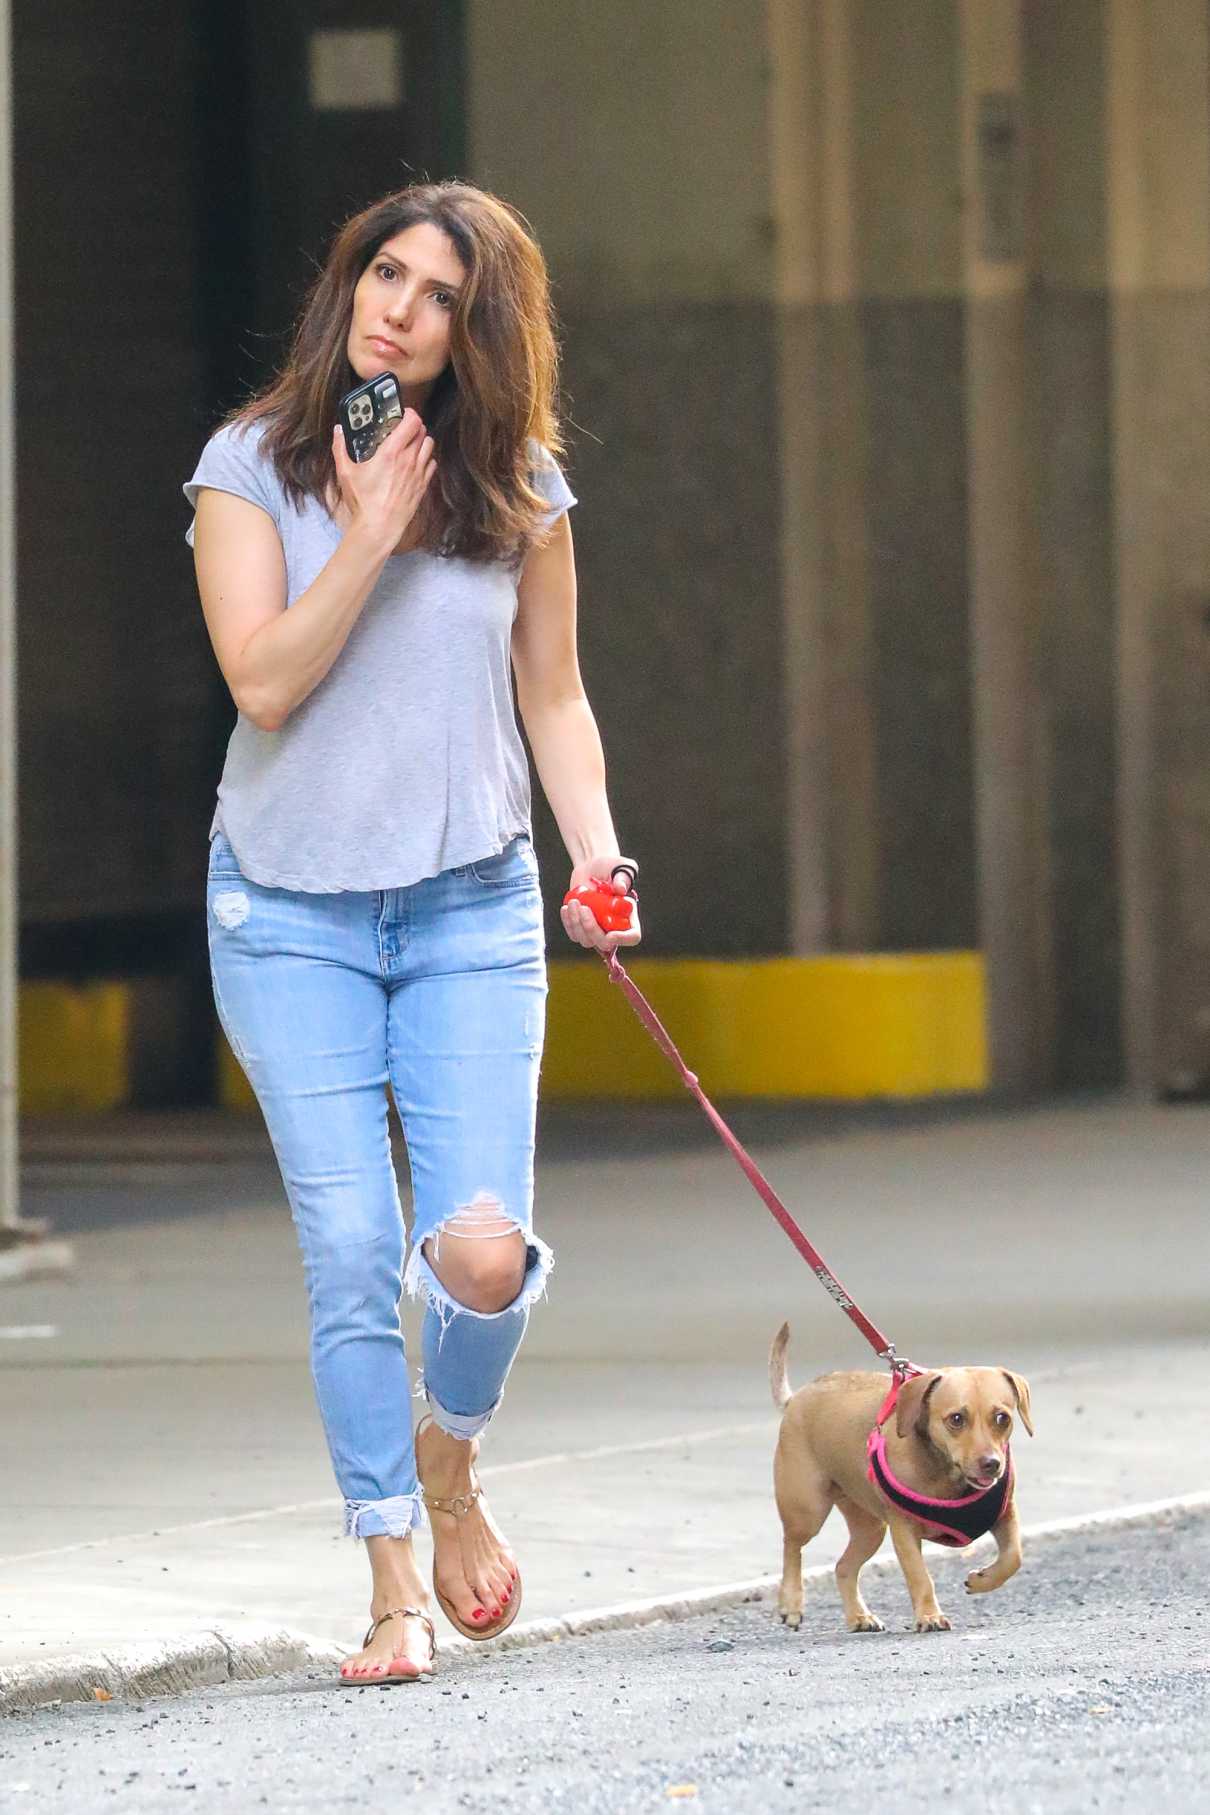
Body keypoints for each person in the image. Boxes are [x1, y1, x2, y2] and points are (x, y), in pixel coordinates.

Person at [184, 181, 640, 1684]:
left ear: (479, 329)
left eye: (440, 295)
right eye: (386, 273)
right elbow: (261, 682)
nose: (400, 308)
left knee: (481, 1257)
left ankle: (452, 1465)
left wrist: (597, 854)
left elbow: (553, 693)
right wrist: (370, 528)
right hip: (287, 907)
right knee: (351, 1246)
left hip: (467, 899)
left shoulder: (518, 482)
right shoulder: (252, 463)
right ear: (348, 281)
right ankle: (391, 1576)